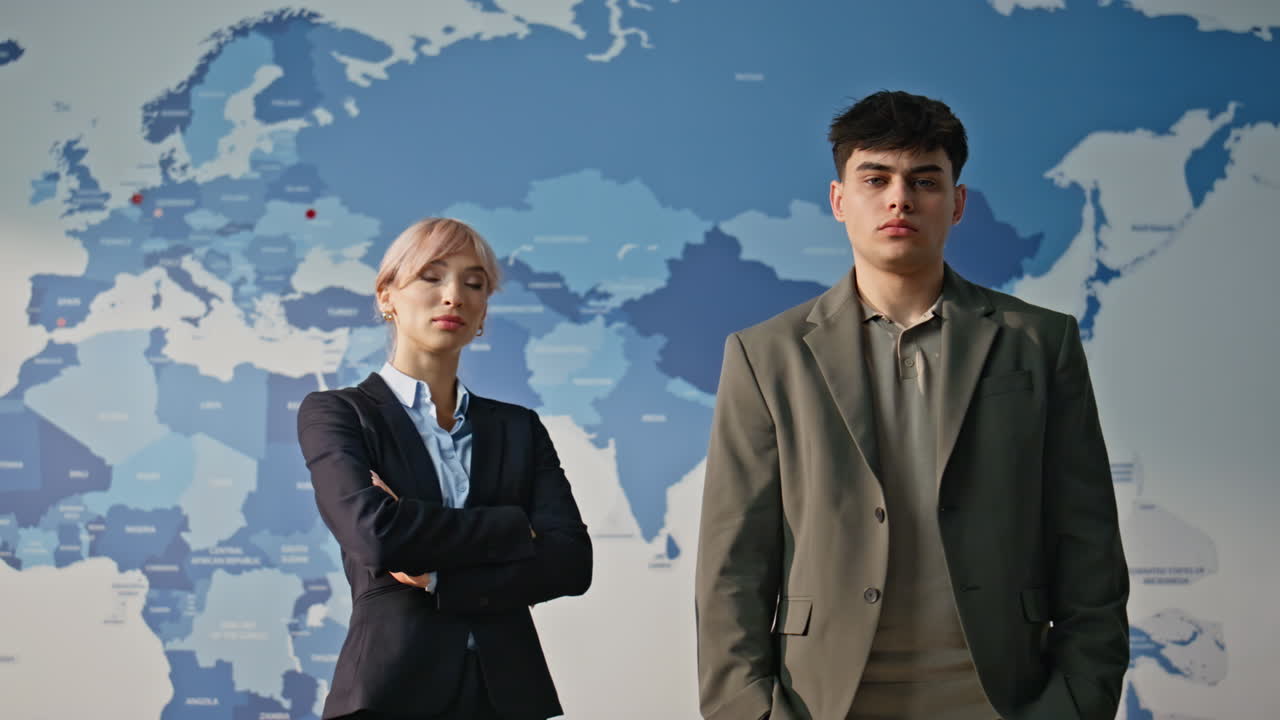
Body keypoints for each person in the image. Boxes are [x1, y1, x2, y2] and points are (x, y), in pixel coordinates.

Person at [694, 91, 1129, 720]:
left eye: (924, 180)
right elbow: (732, 566)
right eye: (876, 179)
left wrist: (1077, 702)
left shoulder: (1038, 340)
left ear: (956, 204)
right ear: (840, 200)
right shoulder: (767, 356)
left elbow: (1088, 539)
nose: (900, 198)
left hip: (1003, 696)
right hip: (824, 702)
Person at [297, 218, 592, 719]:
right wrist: (515, 528)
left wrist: (438, 577)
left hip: (509, 696)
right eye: (431, 277)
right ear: (387, 295)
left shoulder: (519, 427)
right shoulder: (339, 414)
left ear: (482, 313)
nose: (454, 295)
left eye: (474, 284)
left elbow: (571, 561)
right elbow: (378, 537)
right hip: (388, 694)